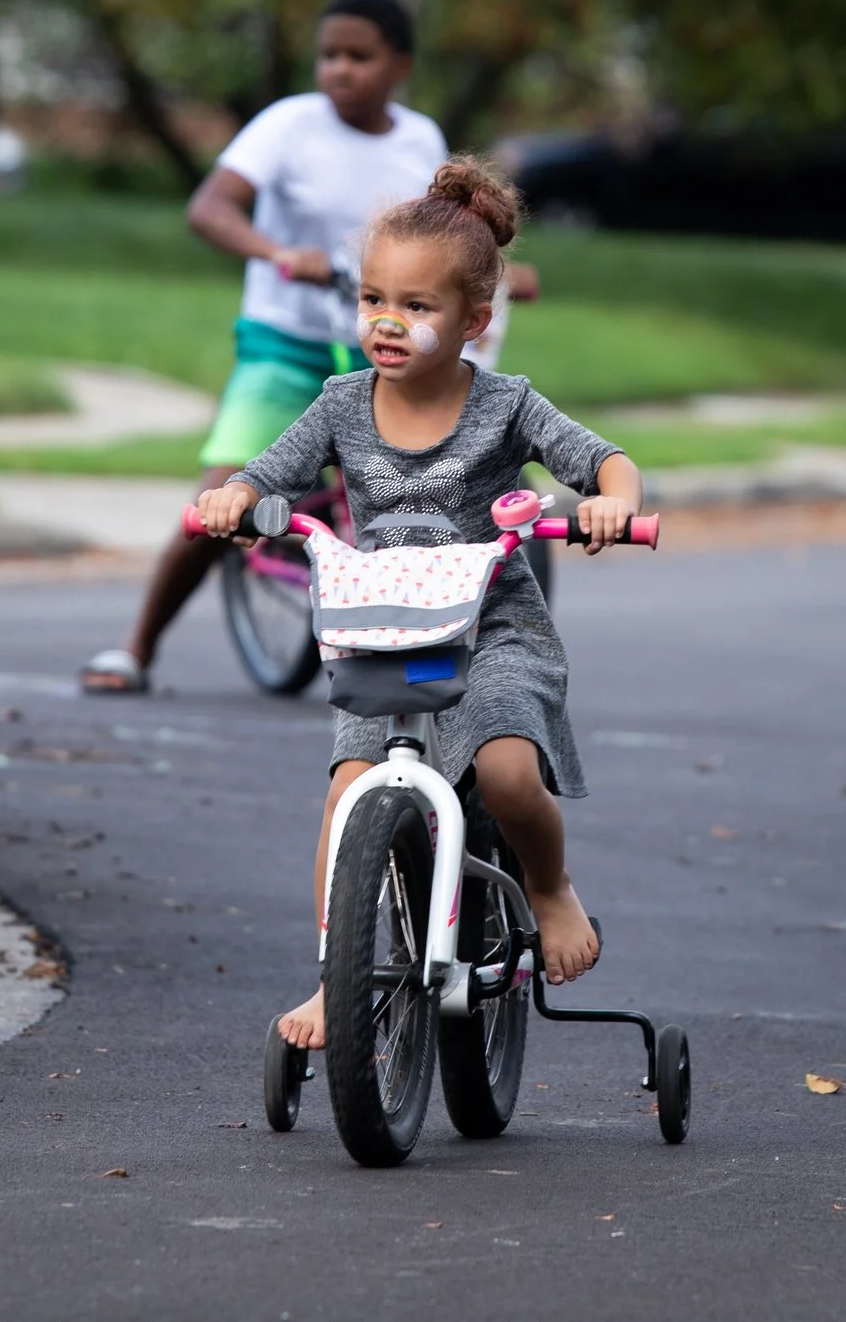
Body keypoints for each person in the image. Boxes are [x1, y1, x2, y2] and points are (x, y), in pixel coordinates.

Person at [193, 157, 644, 1048]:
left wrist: (612, 502)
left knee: (507, 770)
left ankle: (549, 886)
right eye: (372, 299)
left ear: (476, 320)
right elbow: (268, 471)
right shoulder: (340, 404)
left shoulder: (506, 405)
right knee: (347, 799)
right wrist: (236, 498)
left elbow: (606, 461)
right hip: (382, 632)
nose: (387, 321)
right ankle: (339, 974)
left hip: (492, 629)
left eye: (416, 304)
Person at [81, 0, 446, 695]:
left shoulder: (420, 141)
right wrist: (277, 252)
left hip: (386, 347)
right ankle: (136, 648)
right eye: (329, 55)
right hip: (286, 343)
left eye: (360, 56)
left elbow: (444, 234)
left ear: (400, 66)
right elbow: (209, 207)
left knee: (443, 476)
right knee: (221, 501)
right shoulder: (288, 125)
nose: (340, 69)